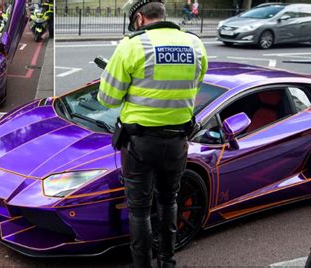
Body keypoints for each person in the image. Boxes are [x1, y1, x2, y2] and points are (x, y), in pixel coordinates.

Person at [97, 0, 208, 267]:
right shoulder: (195, 44)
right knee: (170, 202)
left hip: (140, 144)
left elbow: (107, 99)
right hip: (178, 141)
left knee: (140, 211)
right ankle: (167, 262)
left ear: (139, 19)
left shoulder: (133, 45)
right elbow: (196, 83)